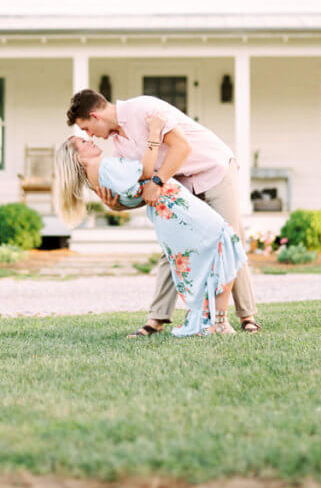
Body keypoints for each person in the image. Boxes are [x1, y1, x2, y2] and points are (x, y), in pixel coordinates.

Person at [65, 89, 261, 336]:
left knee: (230, 238)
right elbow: (142, 187)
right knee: (174, 249)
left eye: (86, 129)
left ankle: (247, 316)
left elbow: (182, 148)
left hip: (214, 170)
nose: (90, 136)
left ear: (95, 116)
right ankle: (156, 319)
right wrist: (116, 205)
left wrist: (156, 182)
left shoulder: (144, 109)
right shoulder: (118, 147)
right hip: (180, 187)